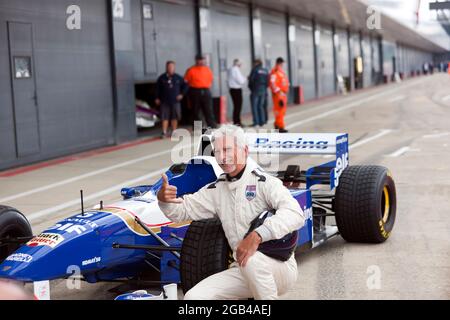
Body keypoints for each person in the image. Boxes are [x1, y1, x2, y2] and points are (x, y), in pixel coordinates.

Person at [157, 124, 305, 300]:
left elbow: (295, 213)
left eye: (227, 149)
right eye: (217, 152)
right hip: (242, 268)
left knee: (251, 260)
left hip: (279, 267)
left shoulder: (264, 182)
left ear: (245, 150)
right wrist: (163, 200)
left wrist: (258, 235)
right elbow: (181, 212)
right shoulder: (217, 190)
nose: (222, 157)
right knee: (194, 298)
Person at [155, 61, 189, 138]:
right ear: (166, 67)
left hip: (175, 101)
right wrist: (157, 98)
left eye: (172, 67)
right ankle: (164, 132)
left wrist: (182, 94)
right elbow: (157, 89)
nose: (170, 68)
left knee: (175, 117)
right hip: (164, 101)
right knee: (164, 117)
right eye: (169, 67)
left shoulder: (178, 77)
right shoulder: (161, 78)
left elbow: (186, 85)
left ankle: (174, 132)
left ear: (174, 67)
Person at [184, 54, 217, 129]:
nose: (201, 61)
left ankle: (212, 127)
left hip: (206, 91)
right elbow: (186, 81)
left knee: (208, 110)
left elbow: (211, 80)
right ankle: (198, 129)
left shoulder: (207, 69)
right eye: (200, 60)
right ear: (196, 60)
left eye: (203, 60)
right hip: (195, 91)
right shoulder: (191, 70)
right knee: (196, 111)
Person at [270, 57, 290, 133]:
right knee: (279, 110)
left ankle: (278, 125)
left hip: (283, 94)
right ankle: (280, 127)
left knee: (282, 110)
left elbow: (284, 81)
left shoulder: (281, 71)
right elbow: (272, 83)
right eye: (282, 63)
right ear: (280, 63)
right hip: (279, 94)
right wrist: (278, 92)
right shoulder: (275, 71)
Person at [248, 59, 269, 127]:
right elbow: (268, 81)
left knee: (254, 106)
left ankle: (256, 122)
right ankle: (262, 122)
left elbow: (251, 80)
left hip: (256, 89)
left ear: (256, 63)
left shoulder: (255, 70)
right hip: (263, 89)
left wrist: (251, 88)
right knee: (261, 106)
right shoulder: (265, 70)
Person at [227, 59, 247, 126]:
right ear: (238, 64)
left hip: (232, 89)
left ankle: (236, 121)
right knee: (238, 106)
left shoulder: (230, 69)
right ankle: (237, 122)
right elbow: (241, 81)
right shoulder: (235, 69)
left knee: (236, 106)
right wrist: (245, 78)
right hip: (236, 89)